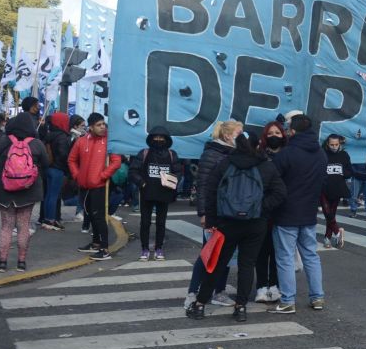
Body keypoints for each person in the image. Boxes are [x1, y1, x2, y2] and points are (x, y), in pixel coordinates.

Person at [187, 132, 286, 322]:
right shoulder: (266, 165)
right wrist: (260, 209)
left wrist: (211, 222)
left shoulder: (225, 164)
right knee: (247, 265)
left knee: (217, 263)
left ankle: (200, 304)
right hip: (256, 223)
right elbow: (280, 193)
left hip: (227, 222)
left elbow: (211, 192)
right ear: (257, 145)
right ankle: (240, 307)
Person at [269, 114, 328, 314]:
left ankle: (288, 300)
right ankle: (317, 297)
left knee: (285, 257)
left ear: (292, 131)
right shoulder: (321, 153)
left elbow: (272, 180)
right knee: (311, 255)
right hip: (309, 211)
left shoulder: (286, 154)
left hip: (286, 212)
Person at [187, 120, 242, 309]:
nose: (241, 136)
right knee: (208, 254)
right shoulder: (211, 154)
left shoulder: (233, 154)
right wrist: (203, 213)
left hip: (229, 212)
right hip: (214, 212)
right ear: (227, 135)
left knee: (226, 255)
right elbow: (203, 185)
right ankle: (193, 292)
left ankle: (219, 291)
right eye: (238, 133)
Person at [0, 112, 48, 272]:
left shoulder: (3, 140)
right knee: (23, 226)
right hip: (28, 191)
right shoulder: (37, 144)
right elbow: (45, 163)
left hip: (4, 189)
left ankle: (2, 262)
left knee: (6, 226)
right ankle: (21, 262)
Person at [69, 113, 122, 261]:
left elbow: (116, 162)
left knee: (99, 217)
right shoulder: (81, 141)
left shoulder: (109, 142)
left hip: (99, 186)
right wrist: (77, 175)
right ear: (91, 127)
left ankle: (104, 249)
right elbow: (71, 160)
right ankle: (96, 243)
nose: (102, 127)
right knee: (90, 215)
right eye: (99, 125)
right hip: (84, 185)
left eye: (103, 124)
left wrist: (103, 175)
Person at [129, 126, 183, 260]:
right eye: (156, 137)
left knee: (161, 222)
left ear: (166, 139)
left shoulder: (172, 154)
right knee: (145, 222)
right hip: (147, 193)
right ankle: (145, 249)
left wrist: (171, 181)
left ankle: (159, 248)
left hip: (164, 193)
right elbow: (133, 171)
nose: (158, 139)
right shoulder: (144, 153)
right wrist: (142, 183)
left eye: (161, 137)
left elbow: (178, 172)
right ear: (151, 138)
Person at [255, 121, 285, 303]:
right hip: (262, 209)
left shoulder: (288, 155)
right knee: (261, 250)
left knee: (277, 251)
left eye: (277, 132)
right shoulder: (259, 156)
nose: (274, 136)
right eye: (270, 133)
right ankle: (261, 286)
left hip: (282, 209)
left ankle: (274, 285)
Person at [41, 112, 71, 231]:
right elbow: (64, 154)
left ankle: (47, 218)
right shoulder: (62, 136)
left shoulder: (49, 135)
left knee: (49, 194)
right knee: (54, 195)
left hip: (48, 167)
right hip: (58, 168)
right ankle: (51, 219)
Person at [322, 134, 352, 249]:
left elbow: (350, 172)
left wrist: (341, 171)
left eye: (336, 144)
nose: (334, 147)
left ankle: (327, 238)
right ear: (327, 144)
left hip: (337, 188)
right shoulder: (323, 154)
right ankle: (338, 232)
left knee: (332, 214)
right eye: (331, 145)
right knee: (327, 212)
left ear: (340, 144)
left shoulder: (344, 155)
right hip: (323, 188)